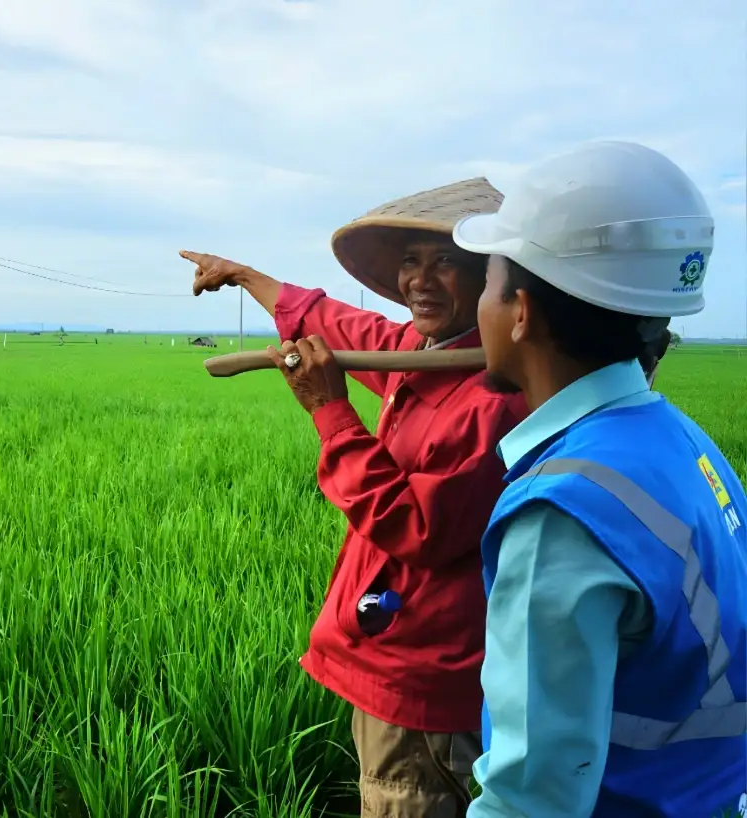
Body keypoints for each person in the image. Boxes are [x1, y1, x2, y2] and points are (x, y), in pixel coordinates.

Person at [182, 177, 529, 818]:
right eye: (409, 262)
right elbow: (340, 322)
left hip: (422, 673)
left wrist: (330, 412)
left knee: (407, 801)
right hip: (391, 651)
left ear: (494, 280)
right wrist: (245, 275)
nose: (419, 281)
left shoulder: (491, 402)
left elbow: (417, 528)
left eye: (446, 262)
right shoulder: (420, 349)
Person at [450, 139, 747, 817]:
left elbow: (533, 799)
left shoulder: (563, 510)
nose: (480, 312)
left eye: (488, 286)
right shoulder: (684, 443)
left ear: (520, 312)